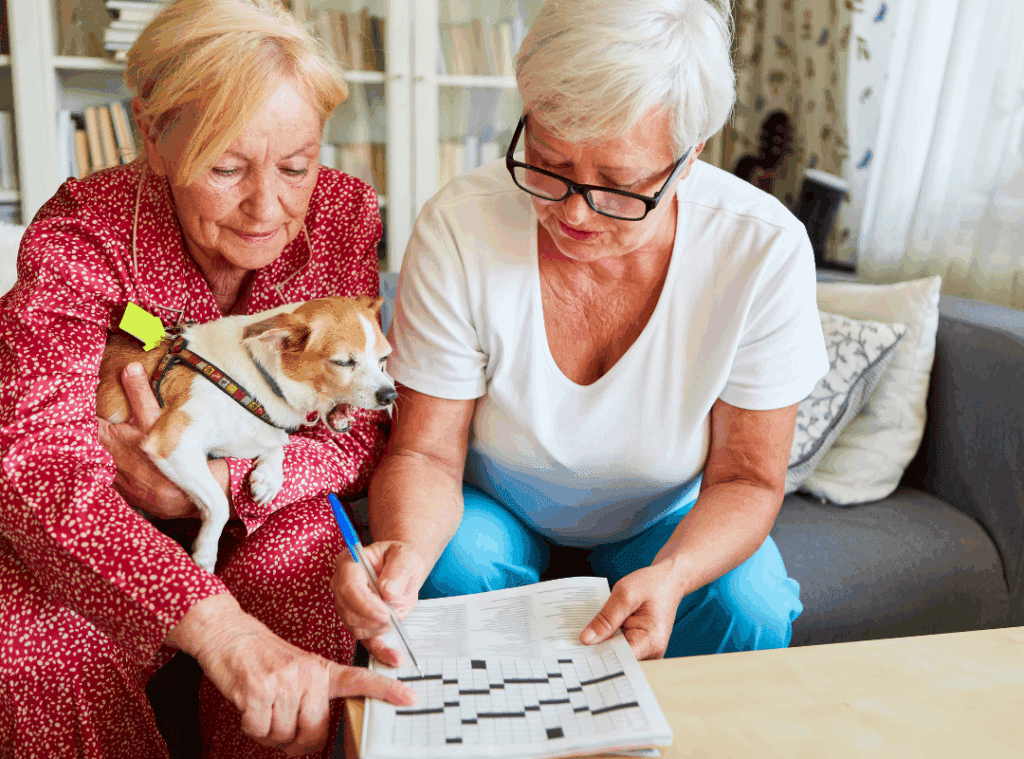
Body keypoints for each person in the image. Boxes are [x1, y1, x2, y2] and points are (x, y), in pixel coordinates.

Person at [332, 0, 829, 666]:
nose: (574, 214)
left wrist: (673, 574)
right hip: (493, 508)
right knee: (446, 568)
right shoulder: (460, 225)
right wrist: (405, 556)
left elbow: (747, 478)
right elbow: (425, 454)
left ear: (688, 159)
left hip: (663, 518)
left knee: (750, 604)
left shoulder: (762, 248)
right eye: (549, 163)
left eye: (618, 186)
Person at [0, 1, 416, 756]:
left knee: (309, 561)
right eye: (226, 168)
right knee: (33, 640)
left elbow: (358, 430)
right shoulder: (81, 234)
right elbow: (35, 465)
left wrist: (218, 482)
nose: (267, 207)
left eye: (296, 166)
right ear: (152, 135)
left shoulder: (343, 213)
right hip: (102, 517)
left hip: (259, 501)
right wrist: (215, 625)